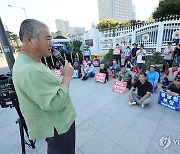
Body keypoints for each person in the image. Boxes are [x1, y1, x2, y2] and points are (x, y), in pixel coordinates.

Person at [12, 19, 76, 154]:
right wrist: (67, 77)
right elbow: (56, 103)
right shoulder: (30, 69)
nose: (51, 43)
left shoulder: (27, 62)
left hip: (56, 126)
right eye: (47, 38)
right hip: (59, 127)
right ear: (29, 39)